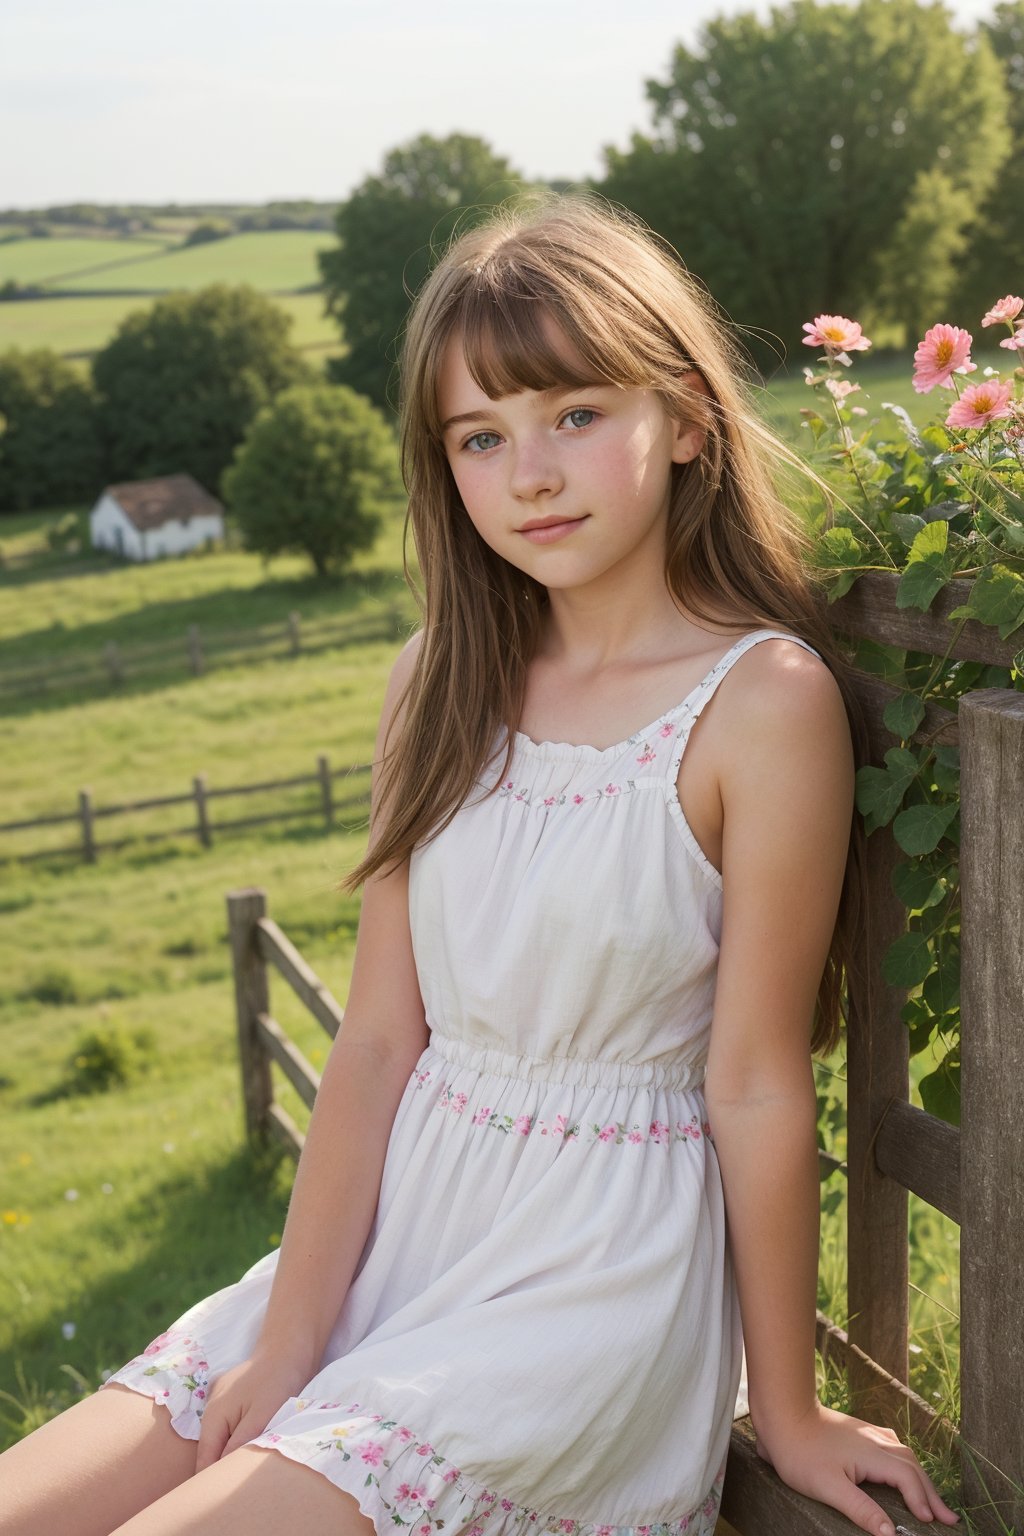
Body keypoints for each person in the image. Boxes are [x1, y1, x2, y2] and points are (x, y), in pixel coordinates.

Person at [0, 195, 961, 1536]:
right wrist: (289, 1337)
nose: (532, 473)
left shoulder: (761, 701)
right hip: (400, 1234)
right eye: (481, 436)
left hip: (589, 1283)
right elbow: (381, 1041)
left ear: (685, 419)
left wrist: (787, 1412)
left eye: (576, 414)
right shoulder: (436, 681)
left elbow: (752, 1082)